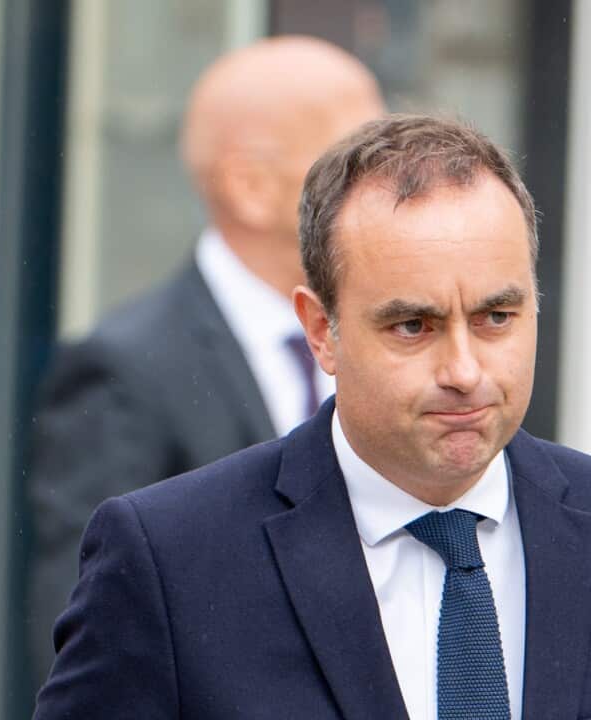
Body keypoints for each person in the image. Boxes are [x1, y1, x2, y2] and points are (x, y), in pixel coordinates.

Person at [33, 115, 591, 719]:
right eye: (413, 326)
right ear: (322, 331)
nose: (464, 370)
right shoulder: (171, 561)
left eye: (497, 317)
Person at [23, 36, 384, 684]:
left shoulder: (392, 339)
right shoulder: (126, 369)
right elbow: (87, 640)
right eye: (357, 162)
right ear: (250, 187)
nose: (391, 187)